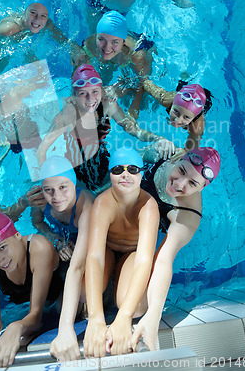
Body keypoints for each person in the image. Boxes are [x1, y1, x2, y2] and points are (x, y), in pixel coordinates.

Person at [131, 146, 221, 351]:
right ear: (177, 160)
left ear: (202, 188)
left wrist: (154, 316)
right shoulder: (161, 154)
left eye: (192, 183)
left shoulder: (189, 213)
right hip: (135, 196)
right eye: (181, 171)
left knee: (139, 307)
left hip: (158, 218)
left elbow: (164, 259)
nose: (179, 185)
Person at [37, 64, 168, 193]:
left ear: (101, 91)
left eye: (95, 91)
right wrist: (46, 179)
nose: (90, 99)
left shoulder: (108, 104)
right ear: (75, 96)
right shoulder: (67, 115)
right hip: (76, 167)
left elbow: (133, 130)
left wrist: (159, 138)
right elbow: (41, 149)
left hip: (102, 160)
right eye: (83, 93)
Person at [83, 147, 160, 357]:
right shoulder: (103, 203)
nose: (125, 174)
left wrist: (124, 317)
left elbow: (144, 260)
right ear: (110, 174)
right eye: (118, 169)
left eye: (133, 169)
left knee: (135, 309)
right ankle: (107, 293)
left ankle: (116, 291)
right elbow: (95, 257)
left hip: (131, 253)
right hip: (108, 251)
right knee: (83, 297)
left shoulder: (149, 206)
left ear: (141, 174)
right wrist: (95, 318)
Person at [0, 210, 62, 369]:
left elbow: (36, 315)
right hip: (18, 302)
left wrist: (16, 327)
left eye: (2, 247)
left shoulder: (40, 249)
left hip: (54, 296)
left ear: (17, 235)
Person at [32, 156, 93, 362]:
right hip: (64, 243)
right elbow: (38, 224)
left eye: (63, 187)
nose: (56, 196)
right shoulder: (41, 202)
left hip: (91, 244)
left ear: (73, 184)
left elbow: (81, 261)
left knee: (80, 300)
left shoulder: (86, 203)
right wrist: (56, 241)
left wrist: (64, 328)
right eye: (48, 189)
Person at [72, 11, 154, 118]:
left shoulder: (137, 56)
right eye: (101, 39)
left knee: (143, 103)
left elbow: (144, 82)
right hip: (115, 53)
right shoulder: (91, 45)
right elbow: (76, 78)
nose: (107, 48)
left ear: (123, 42)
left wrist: (134, 109)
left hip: (140, 49)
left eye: (114, 42)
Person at [143, 81, 212, 159]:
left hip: (202, 105)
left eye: (186, 117)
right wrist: (134, 109)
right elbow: (145, 84)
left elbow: (190, 151)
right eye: (175, 111)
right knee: (181, 84)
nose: (177, 120)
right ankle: (184, 79)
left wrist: (184, 152)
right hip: (178, 97)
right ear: (172, 105)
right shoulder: (166, 99)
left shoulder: (197, 127)